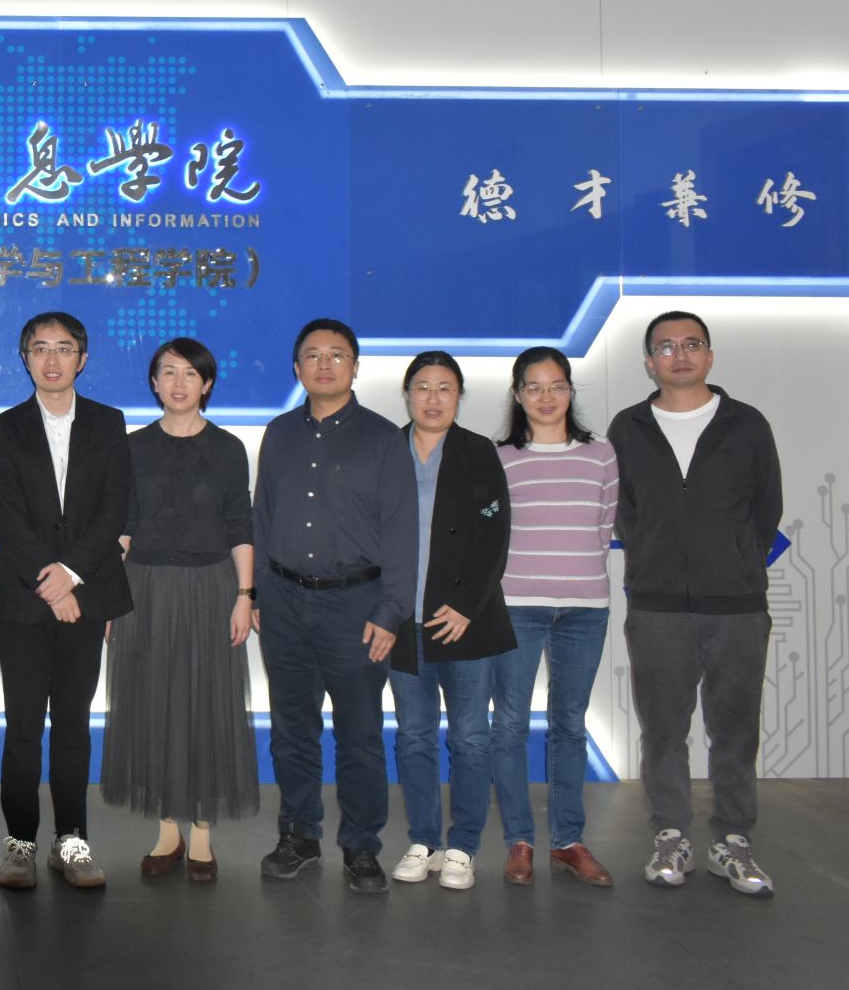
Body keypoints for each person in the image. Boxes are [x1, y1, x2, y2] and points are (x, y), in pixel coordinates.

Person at [609, 311, 783, 898]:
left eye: (692, 344)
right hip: (657, 606)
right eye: (666, 346)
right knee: (663, 731)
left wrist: (735, 561)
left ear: (709, 355)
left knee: (735, 730)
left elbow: (767, 508)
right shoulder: (628, 427)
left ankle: (733, 839)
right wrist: (653, 558)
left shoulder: (746, 424)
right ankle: (671, 836)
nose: (679, 355)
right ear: (649, 361)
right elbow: (625, 511)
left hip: (737, 606)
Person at [252, 318, 415, 894]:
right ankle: (298, 834)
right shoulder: (278, 433)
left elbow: (402, 533)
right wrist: (257, 594)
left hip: (358, 606)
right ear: (297, 368)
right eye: (313, 355)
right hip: (284, 602)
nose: (324, 364)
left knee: (360, 732)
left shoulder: (383, 438)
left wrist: (391, 611)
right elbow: (262, 517)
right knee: (291, 728)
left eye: (336, 355)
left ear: (355, 367)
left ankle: (362, 845)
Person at [101, 337, 259, 882]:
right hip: (143, 588)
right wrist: (109, 597)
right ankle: (167, 832)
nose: (178, 383)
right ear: (153, 382)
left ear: (207, 384)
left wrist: (245, 596)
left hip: (211, 588)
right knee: (153, 704)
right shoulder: (133, 447)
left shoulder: (229, 448)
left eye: (190, 373)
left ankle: (203, 836)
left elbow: (240, 525)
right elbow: (123, 526)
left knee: (208, 704)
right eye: (168, 372)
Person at [0, 311, 131, 890]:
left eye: (64, 348)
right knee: (22, 725)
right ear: (25, 359)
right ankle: (20, 842)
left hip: (85, 597)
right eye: (40, 348)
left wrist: (70, 576)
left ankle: (71, 840)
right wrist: (49, 584)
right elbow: (6, 515)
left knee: (73, 723)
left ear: (82, 359)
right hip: (23, 602)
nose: (52, 359)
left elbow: (114, 511)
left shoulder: (108, 423)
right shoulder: (4, 428)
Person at [490, 346, 618, 887]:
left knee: (569, 724)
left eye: (557, 386)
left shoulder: (601, 454)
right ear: (518, 394)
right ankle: (519, 841)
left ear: (570, 391)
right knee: (510, 725)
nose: (546, 397)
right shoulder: (499, 458)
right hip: (517, 607)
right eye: (534, 387)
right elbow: (489, 530)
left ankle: (568, 841)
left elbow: (604, 528)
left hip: (585, 611)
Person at [386, 351, 514, 892]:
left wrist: (465, 605)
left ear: (459, 396)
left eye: (445, 388)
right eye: (422, 387)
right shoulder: (386, 450)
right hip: (403, 623)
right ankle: (423, 840)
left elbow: (494, 537)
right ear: (407, 394)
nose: (433, 398)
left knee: (469, 738)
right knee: (413, 736)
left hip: (465, 621)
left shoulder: (478, 452)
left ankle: (463, 846)